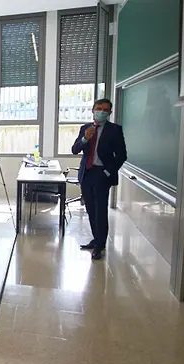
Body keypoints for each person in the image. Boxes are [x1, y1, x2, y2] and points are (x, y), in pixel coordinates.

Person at [72, 98, 127, 260]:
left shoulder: (115, 130)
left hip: (102, 174)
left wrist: (108, 172)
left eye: (105, 110)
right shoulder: (85, 128)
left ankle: (100, 245)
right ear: (93, 110)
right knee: (90, 209)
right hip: (86, 174)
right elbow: (75, 150)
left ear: (109, 113)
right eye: (99, 108)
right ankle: (96, 239)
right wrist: (84, 139)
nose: (101, 112)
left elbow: (122, 155)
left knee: (100, 211)